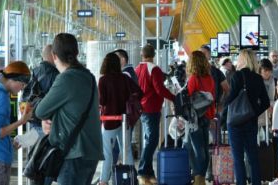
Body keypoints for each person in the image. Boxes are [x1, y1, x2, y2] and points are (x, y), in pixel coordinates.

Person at [34, 33, 103, 185]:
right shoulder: (89, 77)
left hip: (74, 151)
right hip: (91, 150)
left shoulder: (66, 78)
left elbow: (40, 111)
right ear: (77, 53)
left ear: (54, 55)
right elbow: (74, 107)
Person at [226, 49, 271, 185]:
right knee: (253, 157)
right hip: (251, 123)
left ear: (243, 59)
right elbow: (266, 102)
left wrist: (222, 116)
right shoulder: (258, 78)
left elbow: (230, 99)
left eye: (239, 58)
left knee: (238, 158)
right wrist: (253, 112)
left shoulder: (237, 76)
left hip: (235, 123)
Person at [135, 44, 176, 185]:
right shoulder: (154, 69)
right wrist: (174, 98)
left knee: (149, 139)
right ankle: (142, 171)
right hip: (151, 108)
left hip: (141, 108)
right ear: (154, 54)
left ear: (142, 54)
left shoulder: (137, 69)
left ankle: (149, 173)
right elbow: (160, 89)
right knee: (152, 140)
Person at [98, 52, 141, 185]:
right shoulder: (124, 78)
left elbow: (102, 101)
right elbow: (139, 92)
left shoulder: (103, 80)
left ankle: (104, 181)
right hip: (124, 121)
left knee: (107, 153)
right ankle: (130, 179)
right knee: (126, 150)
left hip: (109, 121)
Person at [186, 51, 216, 185]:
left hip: (195, 119)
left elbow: (189, 99)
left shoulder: (193, 79)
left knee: (197, 150)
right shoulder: (209, 79)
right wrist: (211, 116)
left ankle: (199, 178)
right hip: (206, 117)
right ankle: (201, 177)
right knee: (203, 148)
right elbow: (212, 99)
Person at [20, 44, 59, 136]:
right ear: (53, 56)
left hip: (33, 120)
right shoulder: (55, 75)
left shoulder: (34, 71)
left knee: (38, 148)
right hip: (48, 124)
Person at [199, 45, 230, 111]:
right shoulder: (195, 72)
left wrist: (221, 103)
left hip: (213, 108)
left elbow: (227, 89)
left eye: (204, 53)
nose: (202, 56)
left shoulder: (216, 72)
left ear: (209, 55)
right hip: (199, 109)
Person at [258, 58, 276, 127]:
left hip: (270, 110)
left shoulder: (273, 80)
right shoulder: (256, 80)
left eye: (269, 70)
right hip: (259, 111)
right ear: (260, 70)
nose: (268, 73)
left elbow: (273, 97)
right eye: (265, 70)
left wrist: (271, 106)